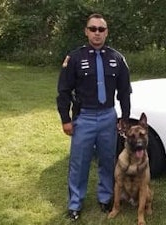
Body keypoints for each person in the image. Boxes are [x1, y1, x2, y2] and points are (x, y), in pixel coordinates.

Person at [56, 13, 131, 221]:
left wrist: (124, 117)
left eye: (101, 29)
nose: (97, 33)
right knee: (79, 163)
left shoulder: (117, 58)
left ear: (106, 32)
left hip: (108, 116)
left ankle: (105, 198)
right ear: (86, 31)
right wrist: (65, 119)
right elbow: (63, 92)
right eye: (93, 28)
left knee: (108, 160)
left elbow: (125, 92)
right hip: (85, 117)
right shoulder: (75, 58)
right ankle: (75, 204)